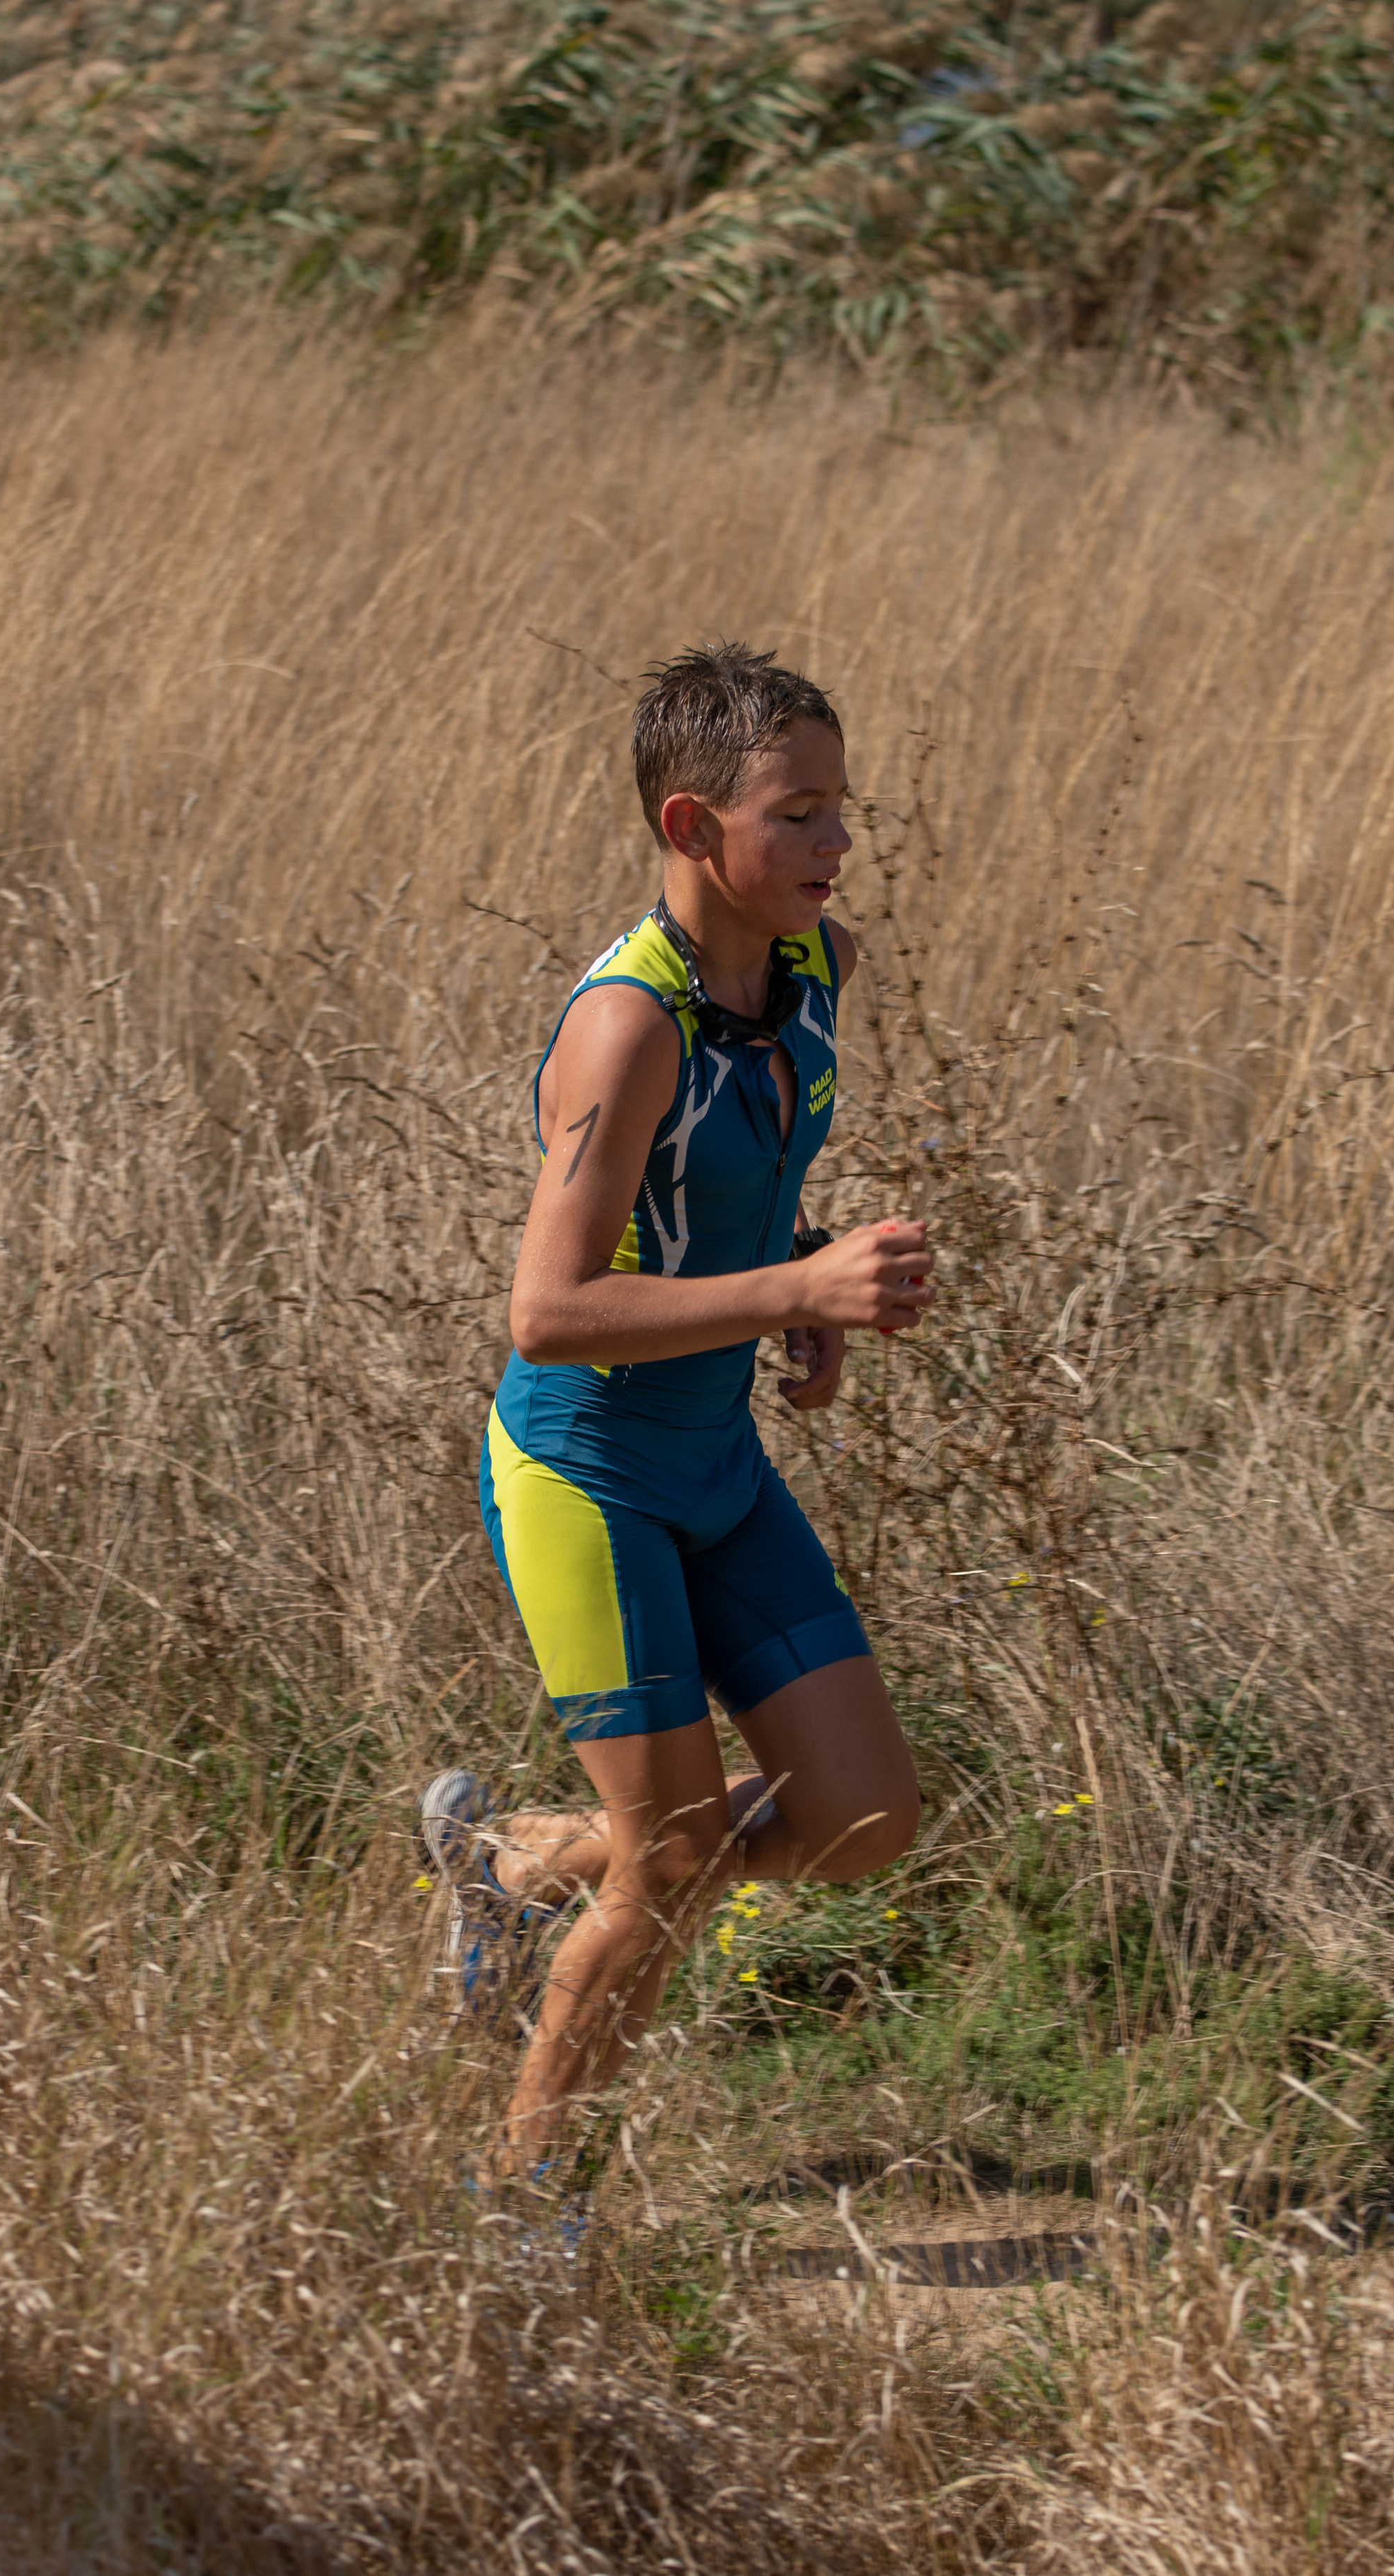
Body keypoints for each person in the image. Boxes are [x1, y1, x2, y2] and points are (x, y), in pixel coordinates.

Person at [422, 641, 933, 2189]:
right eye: (797, 815)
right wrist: (796, 1293)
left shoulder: (815, 969)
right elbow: (548, 1310)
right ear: (689, 826)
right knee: (676, 1862)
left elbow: (744, 1179)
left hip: (716, 1454)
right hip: (587, 1471)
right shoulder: (623, 1026)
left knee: (860, 1818)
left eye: (842, 807)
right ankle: (528, 2225)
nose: (834, 845)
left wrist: (806, 1287)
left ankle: (515, 1867)